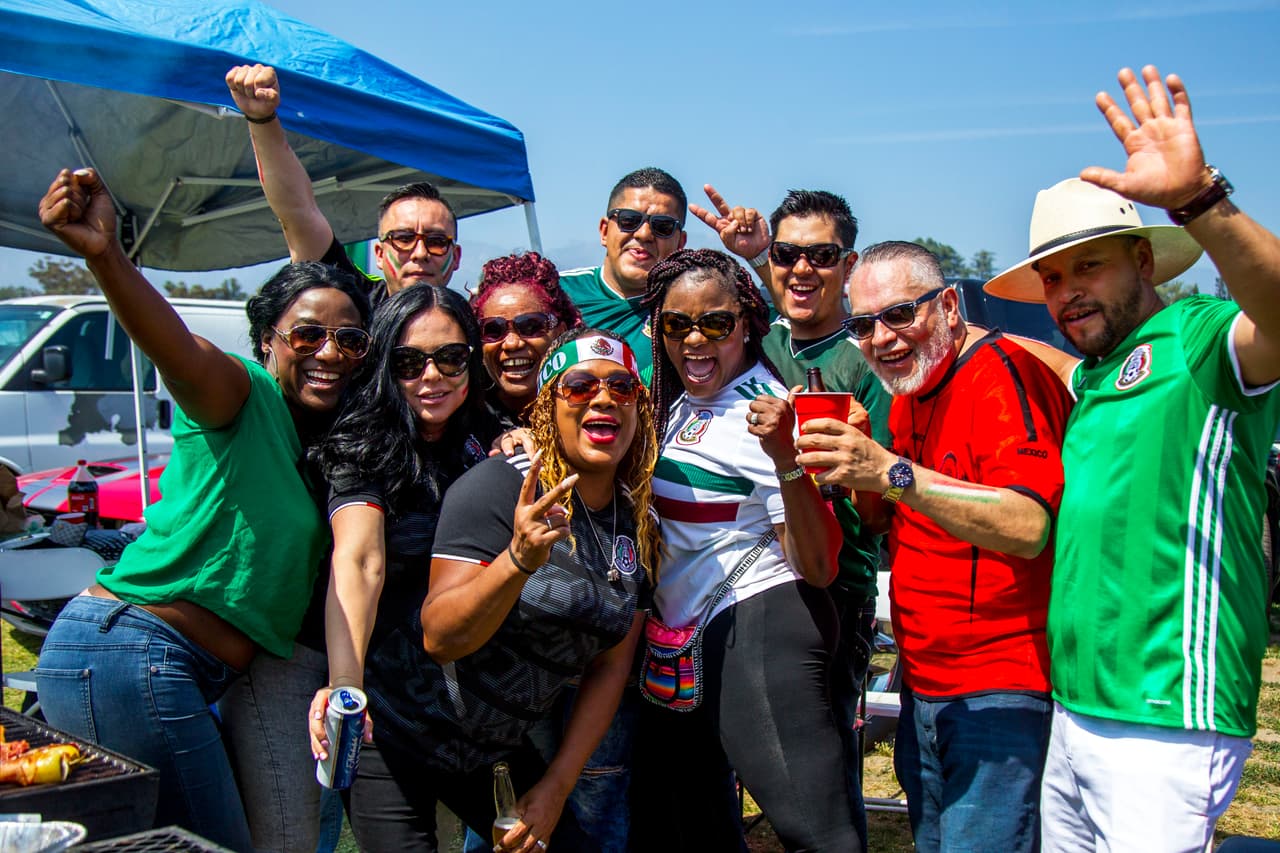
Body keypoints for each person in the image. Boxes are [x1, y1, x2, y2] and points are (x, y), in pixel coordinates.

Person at [984, 65, 1280, 851]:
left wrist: (1200, 201)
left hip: (1168, 714)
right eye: (1051, 278)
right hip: (1078, 707)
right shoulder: (1098, 372)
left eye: (1090, 266)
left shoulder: (1204, 339)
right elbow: (1058, 365)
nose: (1066, 291)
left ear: (1145, 263)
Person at [32, 168, 371, 852]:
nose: (330, 352)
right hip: (131, 650)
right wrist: (106, 257)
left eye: (350, 340)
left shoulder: (323, 442)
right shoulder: (242, 394)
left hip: (153, 661)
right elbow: (180, 352)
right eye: (307, 336)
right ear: (268, 341)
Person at [318, 328, 658, 852]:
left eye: (622, 387)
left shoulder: (638, 520)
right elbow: (440, 636)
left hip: (492, 751)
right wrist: (517, 560)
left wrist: (556, 786)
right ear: (548, 408)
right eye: (580, 387)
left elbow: (610, 667)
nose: (604, 398)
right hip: (395, 733)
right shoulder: (499, 485)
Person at [796, 240, 1072, 852]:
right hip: (923, 677)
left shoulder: (1002, 375)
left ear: (948, 305)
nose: (883, 338)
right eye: (863, 324)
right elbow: (888, 523)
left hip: (1000, 685)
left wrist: (890, 471)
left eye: (900, 314)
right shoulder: (908, 390)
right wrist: (855, 472)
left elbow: (1029, 526)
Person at [632, 248, 858, 852]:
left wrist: (786, 458)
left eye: (717, 323)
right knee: (697, 832)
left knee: (817, 835)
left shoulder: (763, 411)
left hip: (760, 626)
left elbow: (817, 565)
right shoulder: (678, 402)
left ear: (748, 323)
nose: (695, 339)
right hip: (691, 639)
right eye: (677, 323)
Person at [691, 187, 890, 844]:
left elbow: (882, 510)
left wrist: (863, 459)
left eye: (822, 255)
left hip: (835, 591)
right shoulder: (749, 344)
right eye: (788, 254)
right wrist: (748, 259)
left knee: (823, 772)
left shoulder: (869, 357)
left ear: (849, 262)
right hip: (740, 593)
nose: (803, 269)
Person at [225, 64, 461, 306]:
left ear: (456, 256)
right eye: (403, 238)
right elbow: (298, 213)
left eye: (437, 242)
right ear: (379, 254)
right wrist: (262, 119)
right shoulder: (353, 304)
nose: (420, 253)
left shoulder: (479, 330)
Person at [558, 168, 688, 383]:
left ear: (680, 244)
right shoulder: (557, 290)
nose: (644, 234)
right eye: (629, 220)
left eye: (662, 226)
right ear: (604, 231)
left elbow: (761, 330)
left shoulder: (690, 306)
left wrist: (756, 257)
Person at [469, 251, 581, 427]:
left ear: (561, 332)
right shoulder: (465, 423)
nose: (512, 343)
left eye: (531, 326)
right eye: (493, 329)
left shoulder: (590, 407)